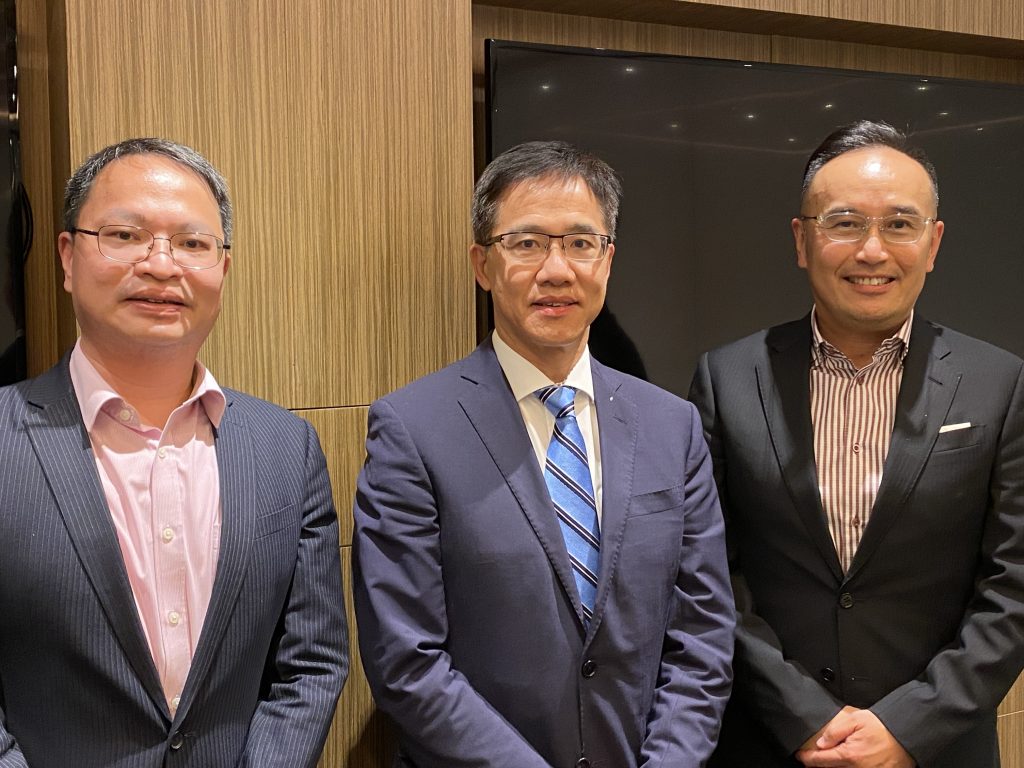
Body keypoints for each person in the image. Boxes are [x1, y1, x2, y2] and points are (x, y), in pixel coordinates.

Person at [352, 140, 734, 767]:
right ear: (482, 264)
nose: (556, 270)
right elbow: (407, 660)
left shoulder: (673, 426)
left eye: (580, 243)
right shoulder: (413, 429)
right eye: (526, 243)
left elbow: (702, 636)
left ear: (607, 260)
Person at [0, 138, 348, 767]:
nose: (162, 266)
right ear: (68, 257)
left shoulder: (285, 447)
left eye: (191, 243)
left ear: (223, 268)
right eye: (124, 235)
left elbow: (312, 662)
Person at [689, 120, 1024, 768]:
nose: (872, 251)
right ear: (802, 239)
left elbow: (1014, 586)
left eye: (899, 224)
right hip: (771, 745)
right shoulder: (726, 378)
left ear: (933, 242)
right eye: (844, 223)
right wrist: (803, 717)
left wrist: (908, 727)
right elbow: (706, 575)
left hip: (938, 750)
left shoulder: (1001, 384)